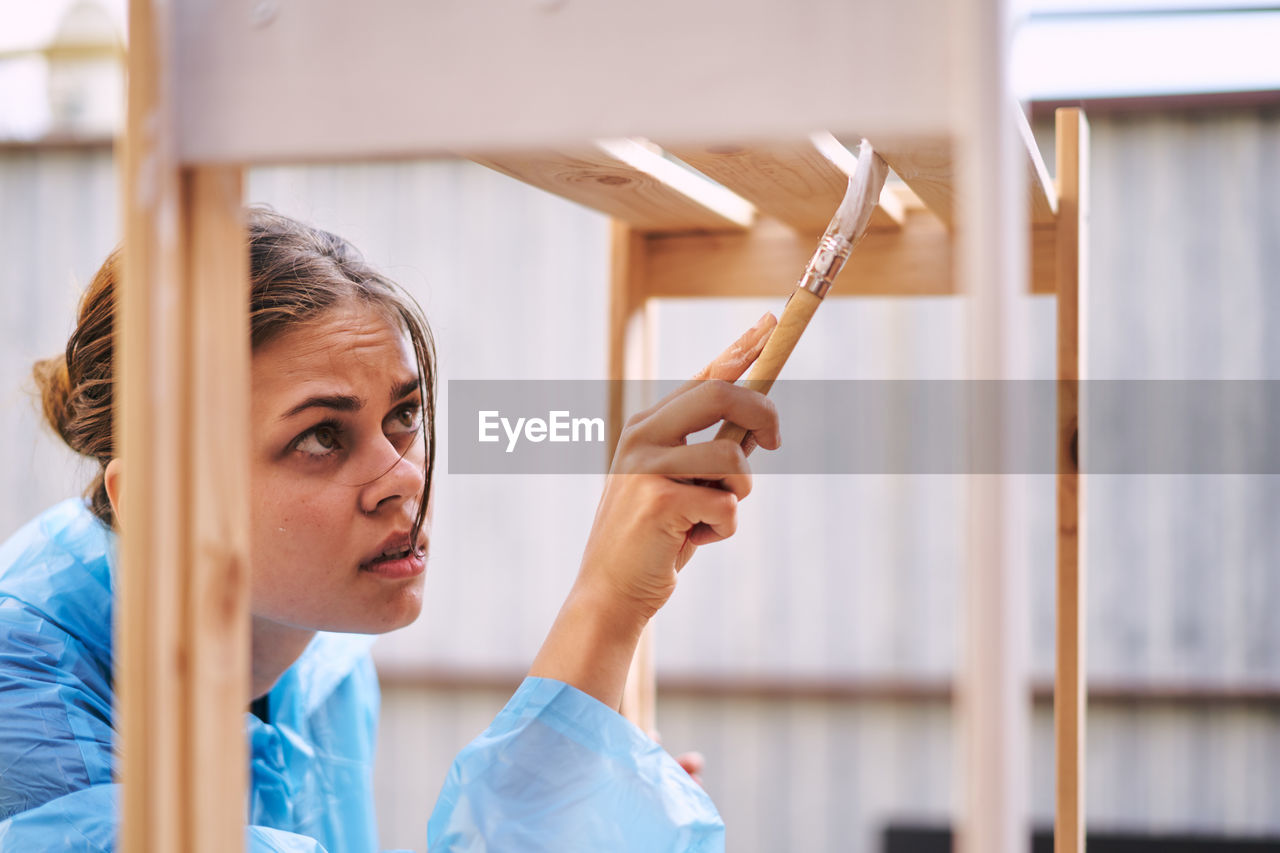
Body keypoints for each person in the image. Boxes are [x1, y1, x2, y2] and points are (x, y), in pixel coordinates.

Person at [0, 209, 780, 851]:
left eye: (404, 416)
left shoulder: (316, 641)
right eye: (320, 436)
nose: (404, 475)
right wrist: (606, 605)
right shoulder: (25, 708)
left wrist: (590, 792)